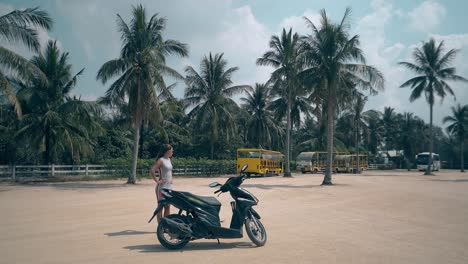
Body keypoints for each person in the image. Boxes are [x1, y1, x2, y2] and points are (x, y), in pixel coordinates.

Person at [149, 144, 173, 223]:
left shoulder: (169, 159)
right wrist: (157, 181)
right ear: (167, 151)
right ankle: (160, 226)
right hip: (162, 187)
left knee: (168, 206)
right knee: (161, 207)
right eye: (171, 150)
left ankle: (166, 225)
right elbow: (152, 171)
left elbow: (168, 172)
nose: (172, 151)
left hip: (169, 187)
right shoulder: (161, 160)